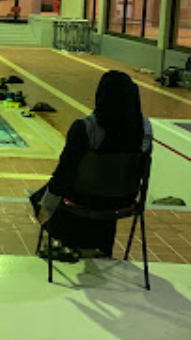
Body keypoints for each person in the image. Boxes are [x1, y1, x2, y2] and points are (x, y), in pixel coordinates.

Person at [30, 71, 153, 260]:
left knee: (43, 197)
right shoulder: (144, 129)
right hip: (124, 199)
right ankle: (100, 247)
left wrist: (46, 205)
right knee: (107, 187)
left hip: (82, 198)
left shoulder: (85, 127)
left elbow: (63, 173)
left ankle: (69, 243)